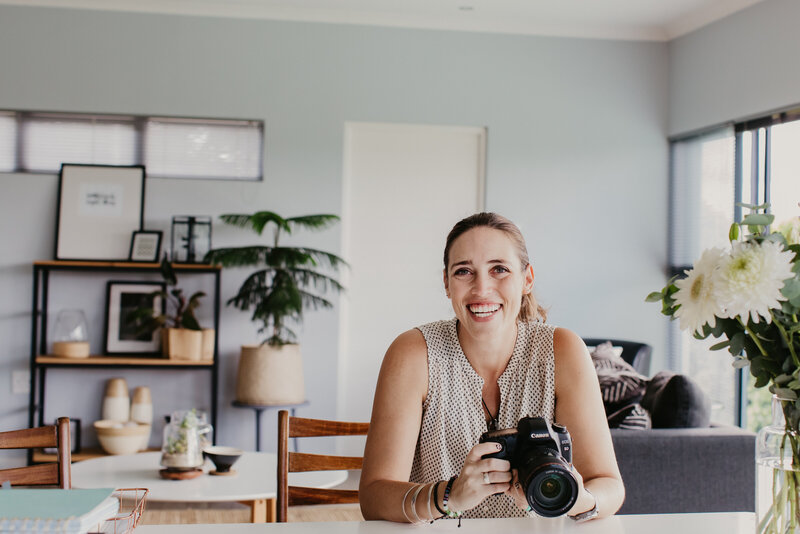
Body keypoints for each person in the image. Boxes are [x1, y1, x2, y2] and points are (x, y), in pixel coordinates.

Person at [359, 212, 624, 523]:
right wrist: (448, 495)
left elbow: (609, 486)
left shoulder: (562, 350)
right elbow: (374, 497)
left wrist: (581, 499)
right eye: (463, 272)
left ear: (527, 279)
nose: (481, 289)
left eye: (499, 269)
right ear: (446, 283)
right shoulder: (413, 353)